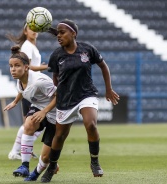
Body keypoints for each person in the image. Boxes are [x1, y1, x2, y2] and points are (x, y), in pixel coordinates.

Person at [40, 19, 120, 183]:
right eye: (58, 33)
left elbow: (103, 66)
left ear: (73, 34)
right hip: (65, 99)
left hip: (86, 94)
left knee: (90, 124)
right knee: (60, 136)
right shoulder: (56, 55)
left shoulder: (87, 49)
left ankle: (95, 161)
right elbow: (55, 78)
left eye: (62, 32)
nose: (59, 36)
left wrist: (109, 89)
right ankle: (52, 167)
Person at [4, 45, 58, 181]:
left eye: (17, 66)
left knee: (45, 157)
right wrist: (15, 102)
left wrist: (45, 112)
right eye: (11, 66)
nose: (13, 69)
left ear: (26, 67)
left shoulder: (40, 82)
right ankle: (24, 166)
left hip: (56, 114)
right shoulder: (20, 80)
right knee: (28, 125)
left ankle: (36, 173)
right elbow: (22, 91)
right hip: (40, 107)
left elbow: (60, 96)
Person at [6, 22, 48, 160]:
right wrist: (45, 67)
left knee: (31, 124)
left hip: (32, 87)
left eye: (36, 28)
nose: (34, 31)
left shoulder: (32, 46)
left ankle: (22, 150)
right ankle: (15, 152)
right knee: (30, 124)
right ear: (25, 31)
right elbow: (27, 67)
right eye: (31, 28)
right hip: (30, 88)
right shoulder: (27, 47)